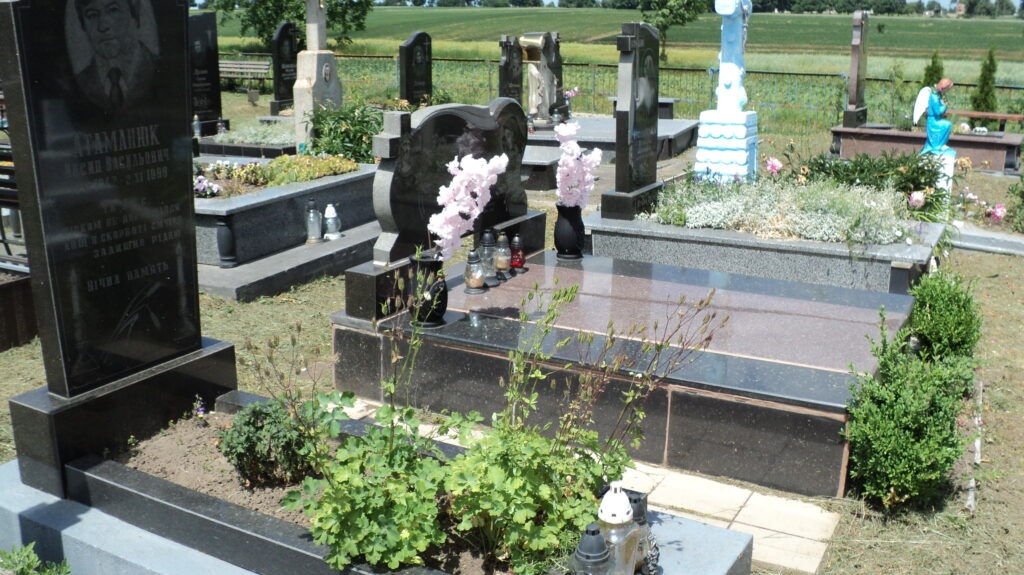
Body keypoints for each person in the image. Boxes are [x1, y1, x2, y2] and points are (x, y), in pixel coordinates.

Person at [71, 0, 158, 113]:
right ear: (83, 25)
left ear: (134, 14)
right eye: (92, 15)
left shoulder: (160, 68)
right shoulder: (80, 82)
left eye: (113, 10)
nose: (103, 26)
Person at [921, 77, 954, 155]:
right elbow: (938, 112)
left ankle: (940, 145)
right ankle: (937, 146)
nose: (947, 91)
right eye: (947, 89)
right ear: (944, 87)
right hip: (933, 121)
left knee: (947, 124)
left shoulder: (937, 95)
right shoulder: (934, 97)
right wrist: (945, 106)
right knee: (947, 124)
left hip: (936, 119)